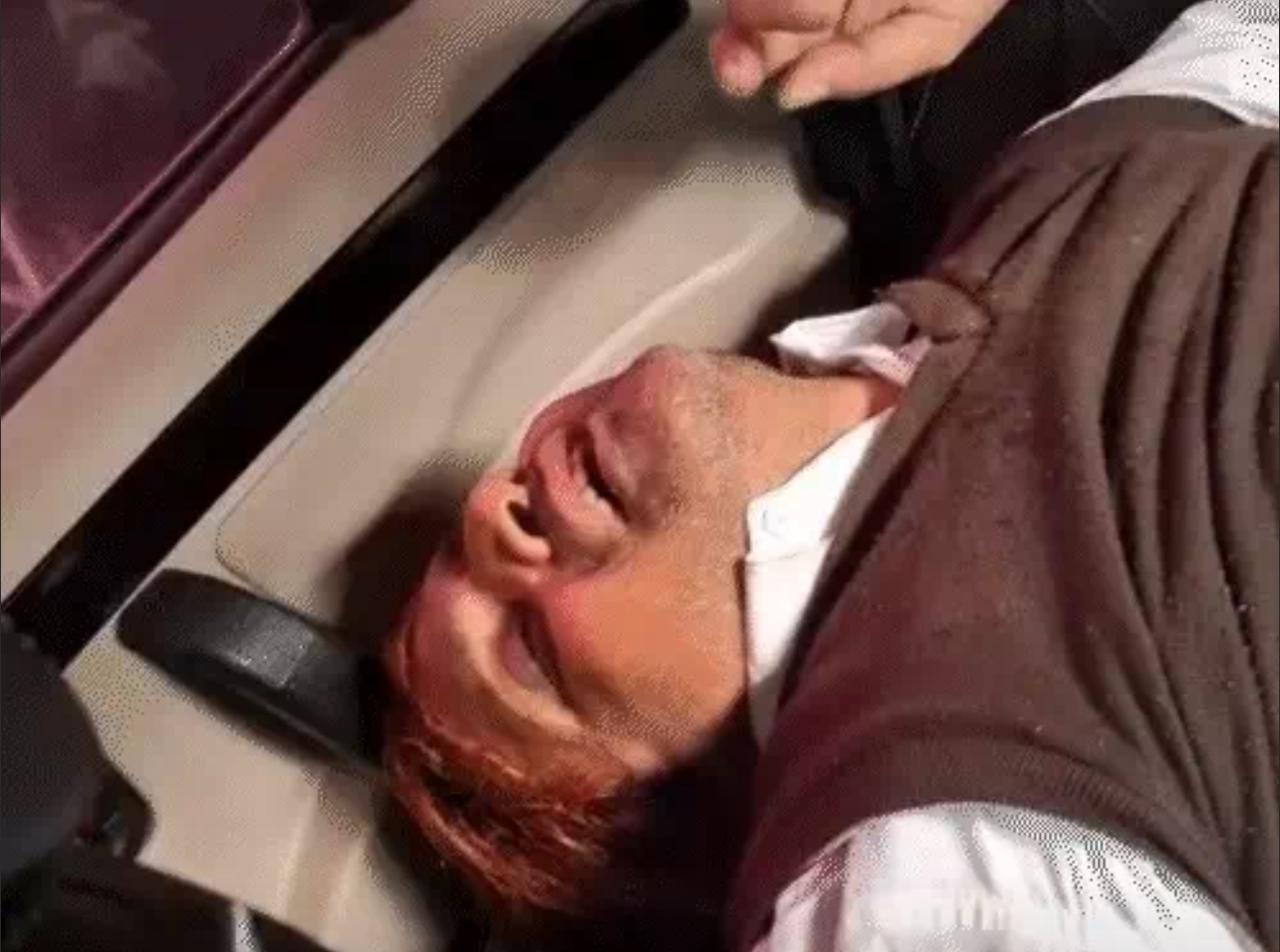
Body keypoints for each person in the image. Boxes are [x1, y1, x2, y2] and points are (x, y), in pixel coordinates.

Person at [382, 1, 1279, 950]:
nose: (490, 508)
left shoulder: (1057, 171)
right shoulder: (939, 863)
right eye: (527, 650)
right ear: (693, 823)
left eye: (456, 545)